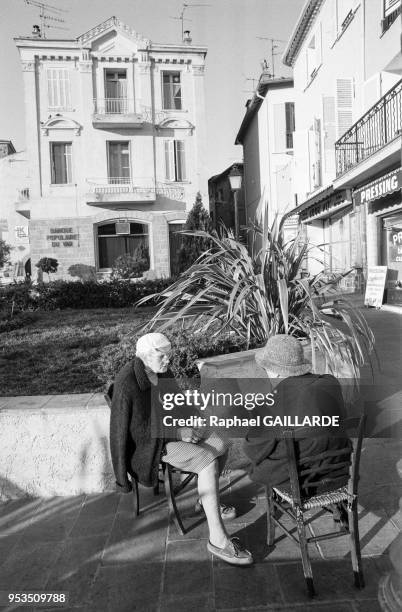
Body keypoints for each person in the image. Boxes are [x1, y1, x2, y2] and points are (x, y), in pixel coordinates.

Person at [110, 332, 253, 566]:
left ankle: (203, 501)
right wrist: (178, 433)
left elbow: (178, 401)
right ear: (146, 356)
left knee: (222, 441)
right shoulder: (128, 383)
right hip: (152, 446)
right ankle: (218, 540)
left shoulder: (161, 370)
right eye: (163, 357)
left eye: (169, 356)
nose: (168, 361)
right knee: (206, 459)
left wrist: (194, 421)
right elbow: (135, 431)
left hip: (172, 430)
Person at [244, 334, 352, 495]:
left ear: (276, 372)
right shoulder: (330, 382)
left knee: (259, 463)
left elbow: (253, 448)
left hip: (302, 482)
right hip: (339, 472)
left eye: (266, 368)